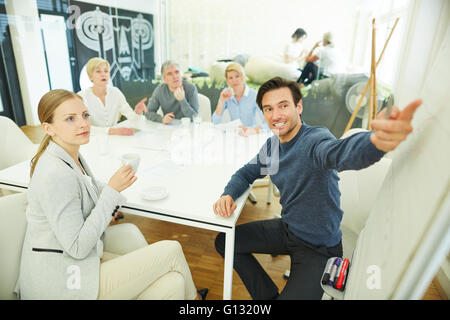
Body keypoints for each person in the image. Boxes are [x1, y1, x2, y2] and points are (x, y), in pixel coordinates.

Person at [213, 77, 422, 299]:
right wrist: (228, 194)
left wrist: (375, 142)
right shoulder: (272, 147)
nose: (276, 116)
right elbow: (246, 172)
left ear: (299, 107)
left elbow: (340, 152)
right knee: (224, 241)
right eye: (268, 109)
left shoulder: (315, 141)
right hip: (289, 230)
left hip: (318, 247)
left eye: (283, 106)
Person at [15, 89, 207, 300]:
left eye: (85, 115)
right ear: (48, 128)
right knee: (172, 250)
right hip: (63, 281)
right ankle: (196, 301)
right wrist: (112, 192)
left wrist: (110, 195)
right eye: (70, 118)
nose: (83, 123)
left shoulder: (70, 156)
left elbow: (92, 191)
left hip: (79, 264)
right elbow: (77, 247)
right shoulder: (55, 174)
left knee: (173, 282)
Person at [78, 57, 148, 136]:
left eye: (106, 71)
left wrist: (138, 112)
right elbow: (82, 127)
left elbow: (132, 118)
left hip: (114, 139)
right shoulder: (81, 96)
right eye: (98, 71)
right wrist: (111, 131)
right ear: (90, 76)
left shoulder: (115, 92)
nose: (103, 74)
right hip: (92, 140)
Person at [211, 63, 269, 136]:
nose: (234, 80)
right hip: (234, 136)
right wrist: (221, 101)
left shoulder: (254, 95)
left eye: (237, 76)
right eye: (230, 78)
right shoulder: (226, 94)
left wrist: (252, 130)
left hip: (251, 136)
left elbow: (268, 124)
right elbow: (215, 122)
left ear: (242, 77)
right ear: (227, 81)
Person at [146, 60, 199, 124]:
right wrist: (161, 119)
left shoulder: (191, 88)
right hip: (169, 128)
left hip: (188, 128)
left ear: (181, 74)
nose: (175, 76)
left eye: (177, 72)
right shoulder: (160, 90)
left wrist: (182, 100)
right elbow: (148, 112)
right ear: (165, 79)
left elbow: (194, 117)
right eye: (169, 74)